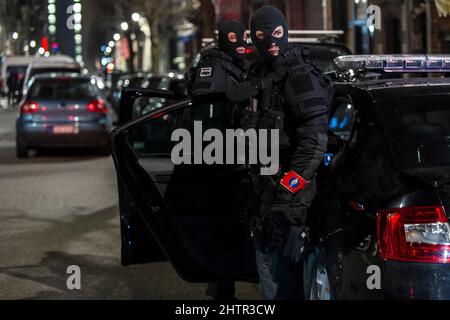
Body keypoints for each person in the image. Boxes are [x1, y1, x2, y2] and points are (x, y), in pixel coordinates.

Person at [228, 6, 332, 300]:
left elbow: (314, 144)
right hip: (265, 188)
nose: (272, 41)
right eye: (262, 36)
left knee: (278, 272)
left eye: (276, 34)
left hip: (290, 194)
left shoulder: (299, 76)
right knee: (270, 269)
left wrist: (288, 192)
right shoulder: (260, 72)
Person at [185, 19, 249, 301]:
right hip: (224, 162)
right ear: (222, 39)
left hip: (245, 156)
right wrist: (219, 161)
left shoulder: (235, 64)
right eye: (232, 37)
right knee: (226, 225)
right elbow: (207, 123)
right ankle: (221, 288)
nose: (239, 42)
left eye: (242, 36)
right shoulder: (213, 69)